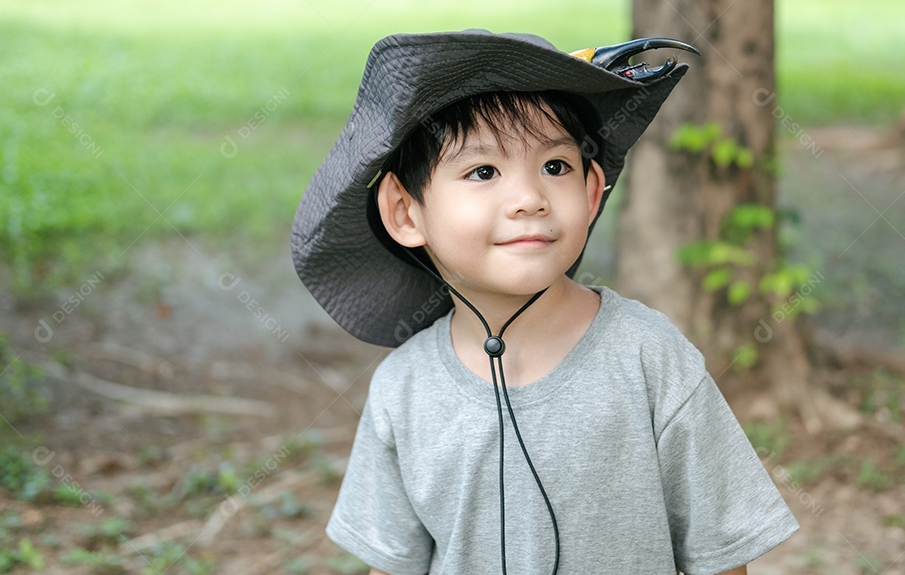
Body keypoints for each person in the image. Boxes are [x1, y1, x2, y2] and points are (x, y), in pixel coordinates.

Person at [291, 30, 799, 575]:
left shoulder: (650, 359)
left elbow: (721, 556)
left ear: (590, 190)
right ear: (405, 212)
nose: (530, 199)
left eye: (555, 166)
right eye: (483, 172)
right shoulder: (403, 390)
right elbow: (390, 565)